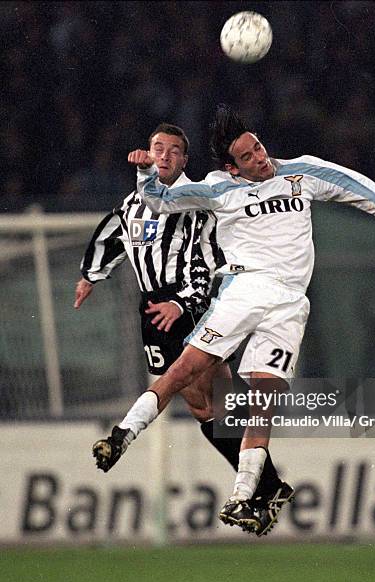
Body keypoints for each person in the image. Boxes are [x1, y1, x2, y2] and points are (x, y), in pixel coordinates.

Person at [93, 105, 375, 536]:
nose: (260, 158)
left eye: (259, 148)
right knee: (187, 369)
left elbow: (349, 183)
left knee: (263, 400)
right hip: (243, 291)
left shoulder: (299, 172)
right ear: (232, 166)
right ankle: (122, 435)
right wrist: (145, 174)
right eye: (247, 157)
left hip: (289, 305)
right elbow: (160, 201)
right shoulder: (218, 189)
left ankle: (243, 496)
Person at [85, 123, 286, 535]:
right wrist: (90, 274)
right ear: (148, 151)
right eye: (158, 147)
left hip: (187, 306)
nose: (164, 155)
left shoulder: (195, 202)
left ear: (184, 160)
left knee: (210, 402)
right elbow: (112, 232)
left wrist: (183, 302)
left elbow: (209, 261)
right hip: (153, 311)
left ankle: (263, 489)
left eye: (174, 151)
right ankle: (266, 487)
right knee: (206, 408)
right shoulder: (133, 204)